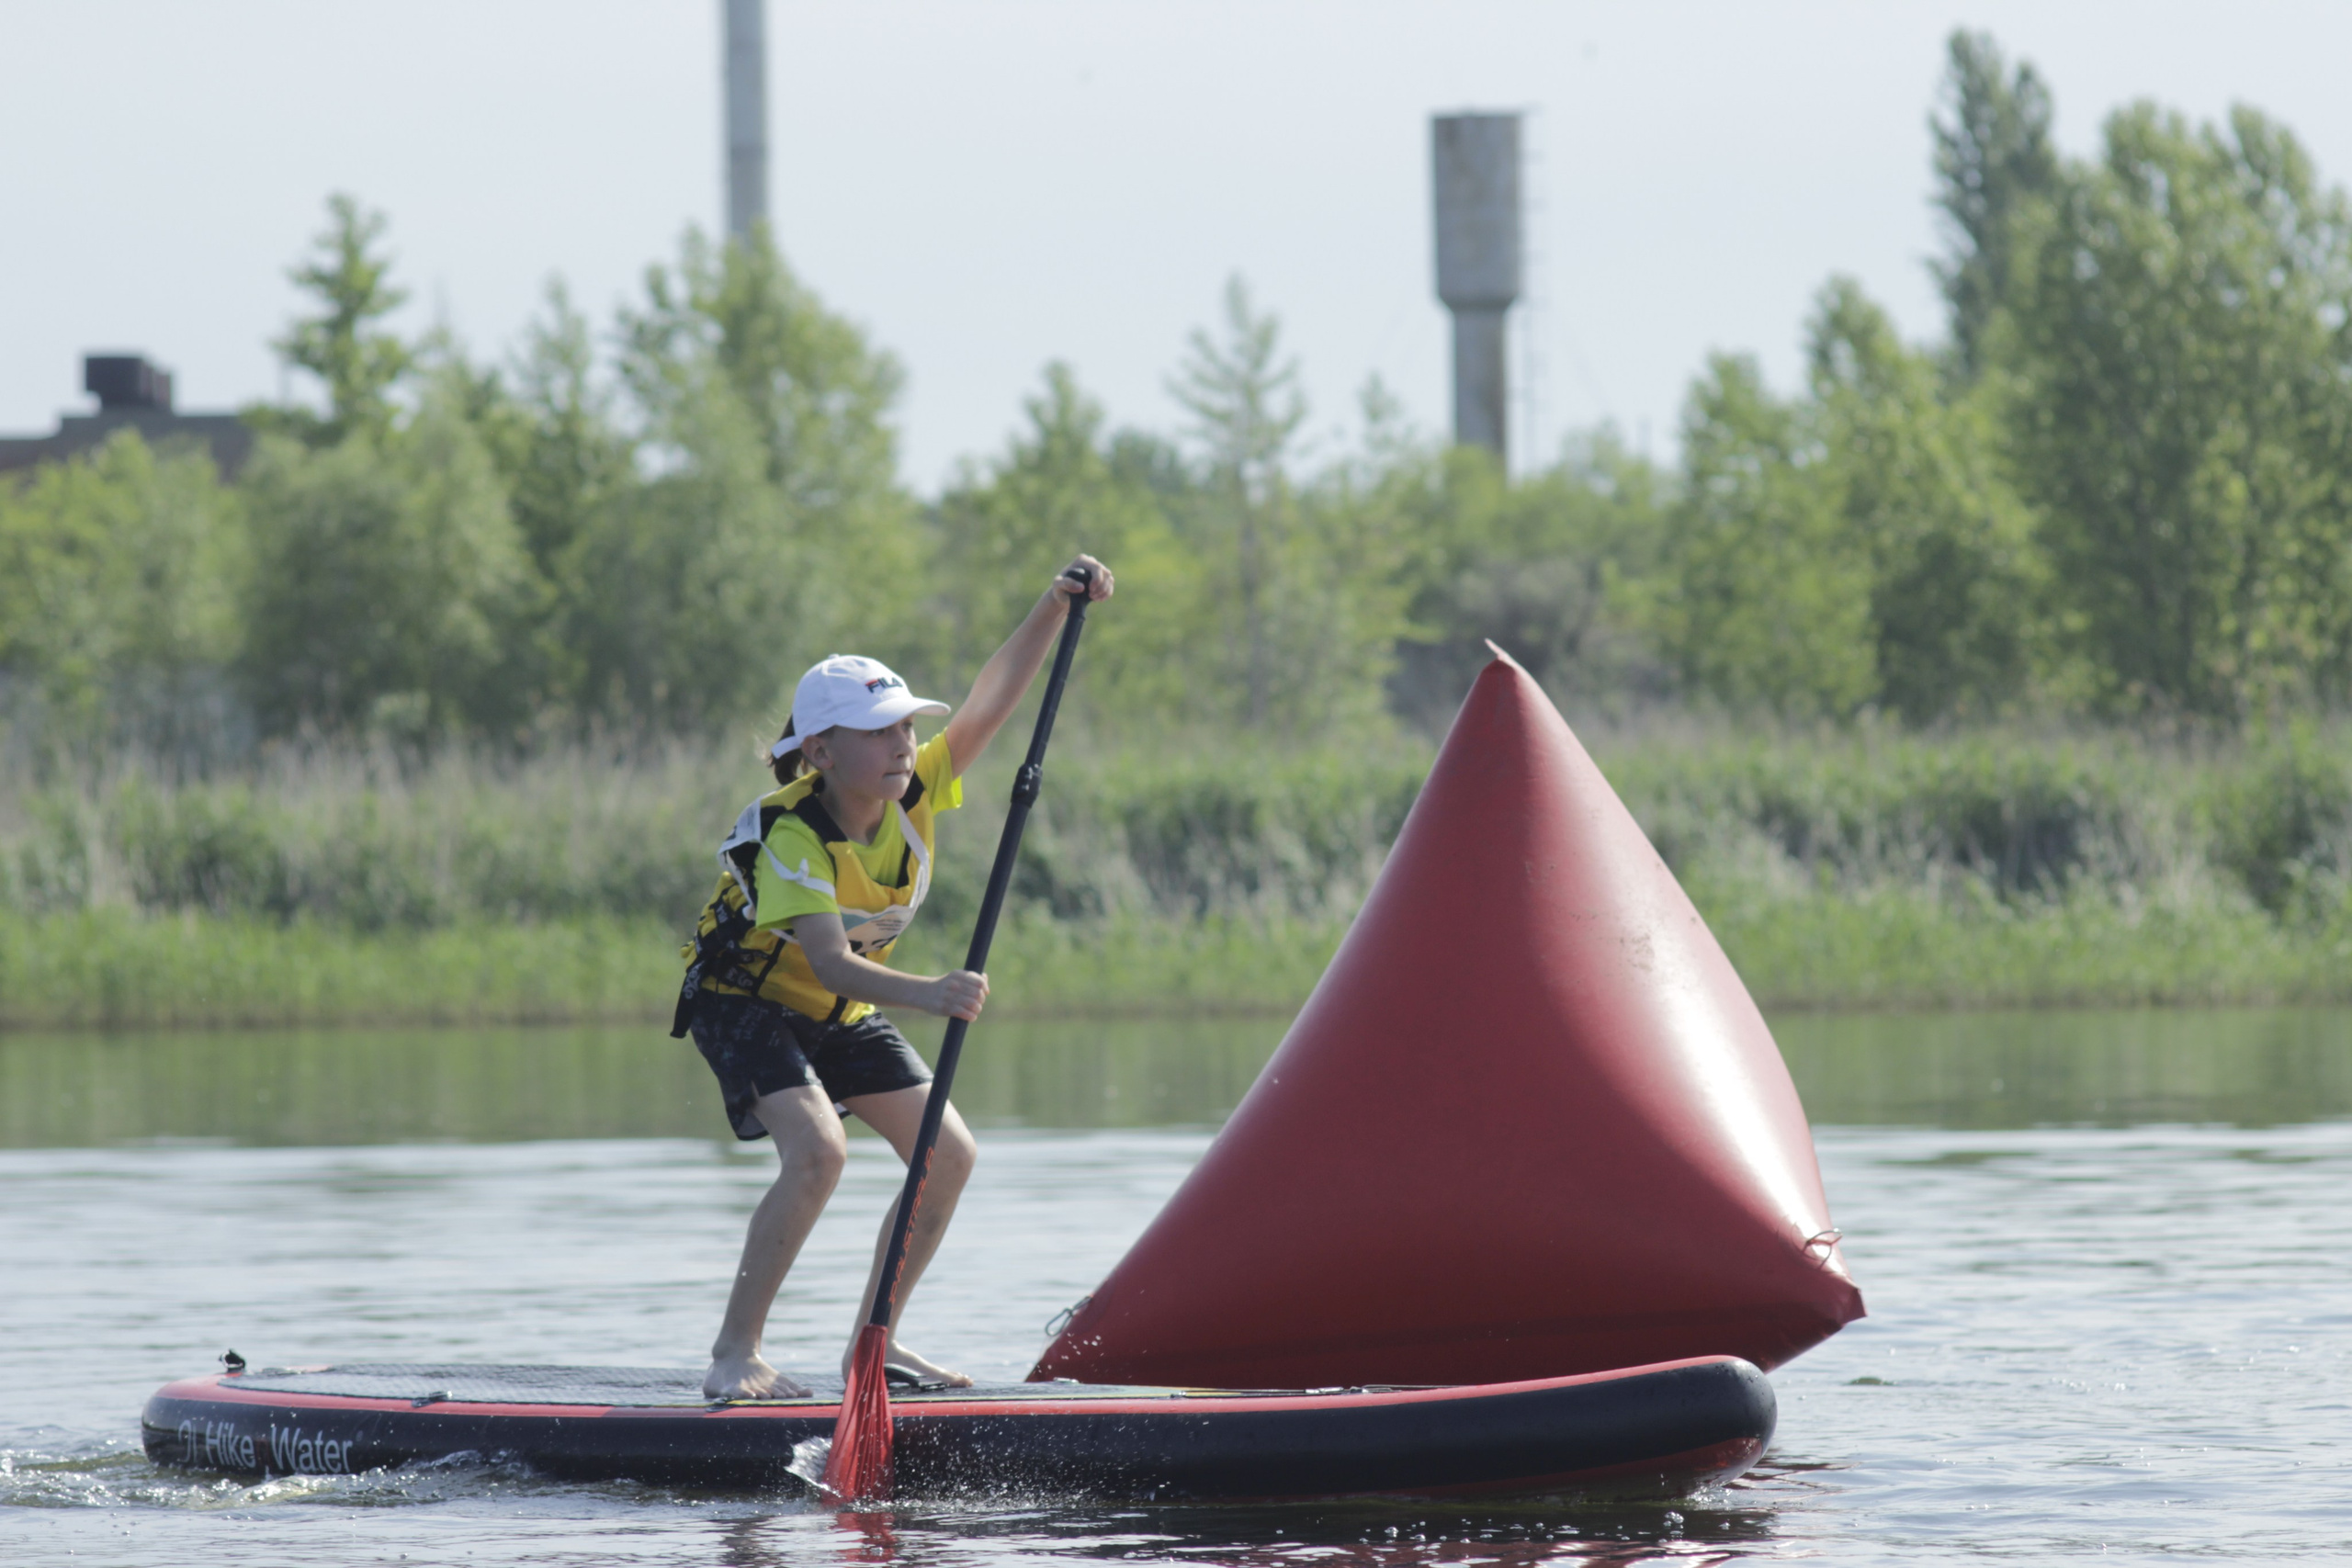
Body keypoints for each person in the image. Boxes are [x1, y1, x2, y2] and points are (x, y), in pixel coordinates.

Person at [674, 555, 1114, 1401]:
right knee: (818, 1152)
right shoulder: (794, 834)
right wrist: (932, 992)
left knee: (948, 1154)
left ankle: (873, 1348)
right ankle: (735, 1352)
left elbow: (990, 700)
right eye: (880, 731)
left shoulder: (914, 792)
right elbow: (830, 960)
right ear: (821, 750)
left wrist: (1054, 608)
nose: (903, 744)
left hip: (836, 1009)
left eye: (906, 727)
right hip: (744, 1003)